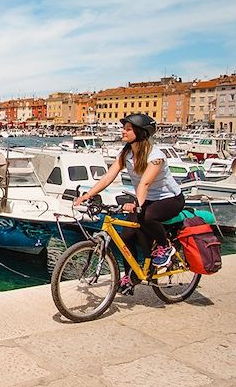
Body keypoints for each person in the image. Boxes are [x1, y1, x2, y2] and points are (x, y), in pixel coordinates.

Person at [74, 113, 184, 294]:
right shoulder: (126, 152)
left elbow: (145, 183)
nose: (123, 131)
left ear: (140, 132)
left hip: (170, 199)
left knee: (148, 216)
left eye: (128, 129)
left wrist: (137, 204)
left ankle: (165, 247)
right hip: (147, 199)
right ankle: (130, 275)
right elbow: (109, 176)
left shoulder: (155, 156)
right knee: (126, 235)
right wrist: (88, 195)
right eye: (123, 128)